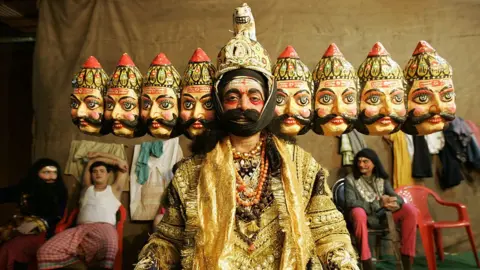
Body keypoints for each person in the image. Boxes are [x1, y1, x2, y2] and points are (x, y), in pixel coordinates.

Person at [134, 9, 358, 269]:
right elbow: (169, 239)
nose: (243, 105)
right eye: (232, 97)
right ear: (218, 103)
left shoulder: (303, 167)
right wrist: (152, 260)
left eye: (254, 97)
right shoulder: (190, 173)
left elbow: (328, 231)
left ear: (268, 102)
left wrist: (341, 260)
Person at [37, 152, 128, 269]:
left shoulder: (115, 190)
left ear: (108, 174)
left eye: (102, 171)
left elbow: (123, 165)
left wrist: (113, 161)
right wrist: (95, 158)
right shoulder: (87, 188)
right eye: (94, 171)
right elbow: (90, 162)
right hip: (80, 229)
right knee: (45, 251)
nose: (98, 174)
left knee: (109, 248)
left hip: (104, 228)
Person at [344, 148, 418, 270]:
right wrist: (378, 204)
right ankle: (366, 261)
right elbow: (350, 202)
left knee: (410, 210)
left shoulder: (381, 178)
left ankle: (407, 259)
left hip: (383, 217)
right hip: (364, 218)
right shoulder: (350, 179)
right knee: (357, 212)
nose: (361, 164)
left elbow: (396, 196)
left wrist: (394, 203)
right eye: (359, 161)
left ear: (374, 163)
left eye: (365, 161)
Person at [0, 158, 68, 270]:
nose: (51, 176)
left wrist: (36, 224)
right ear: (36, 173)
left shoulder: (60, 191)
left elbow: (57, 215)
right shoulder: (25, 188)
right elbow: (4, 194)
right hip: (17, 225)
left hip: (44, 231)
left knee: (11, 248)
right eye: (46, 172)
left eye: (54, 172)